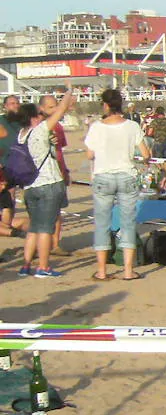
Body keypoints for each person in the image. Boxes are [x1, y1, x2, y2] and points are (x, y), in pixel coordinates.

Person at [85, 88, 149, 281]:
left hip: (103, 175)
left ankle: (102, 270)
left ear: (105, 105)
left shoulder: (96, 127)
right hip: (126, 174)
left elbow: (90, 154)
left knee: (102, 223)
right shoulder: (132, 126)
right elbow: (146, 154)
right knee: (128, 223)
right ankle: (128, 270)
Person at [14, 91, 75, 278]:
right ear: (34, 117)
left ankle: (26, 265)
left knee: (34, 227)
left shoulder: (21, 135)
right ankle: (43, 266)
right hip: (48, 183)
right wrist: (69, 91)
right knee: (46, 229)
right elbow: (61, 109)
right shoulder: (39, 130)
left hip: (30, 187)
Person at [37, 93, 72, 255]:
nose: (55, 109)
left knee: (57, 211)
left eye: (56, 106)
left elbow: (60, 151)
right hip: (40, 175)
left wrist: (65, 171)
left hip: (58, 171)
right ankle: (41, 244)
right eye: (51, 107)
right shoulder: (36, 126)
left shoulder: (58, 127)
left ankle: (55, 243)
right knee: (40, 213)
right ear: (41, 108)